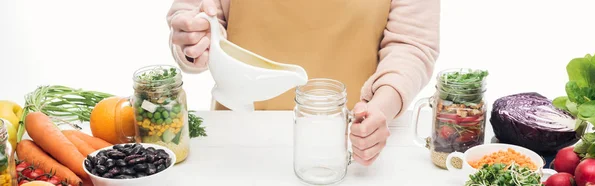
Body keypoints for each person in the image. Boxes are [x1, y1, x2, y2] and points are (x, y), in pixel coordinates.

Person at [166, 0, 440, 166]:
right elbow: (193, 13)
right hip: (241, 139)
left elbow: (411, 43)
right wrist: (196, 41)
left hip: (350, 140)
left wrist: (381, 107)